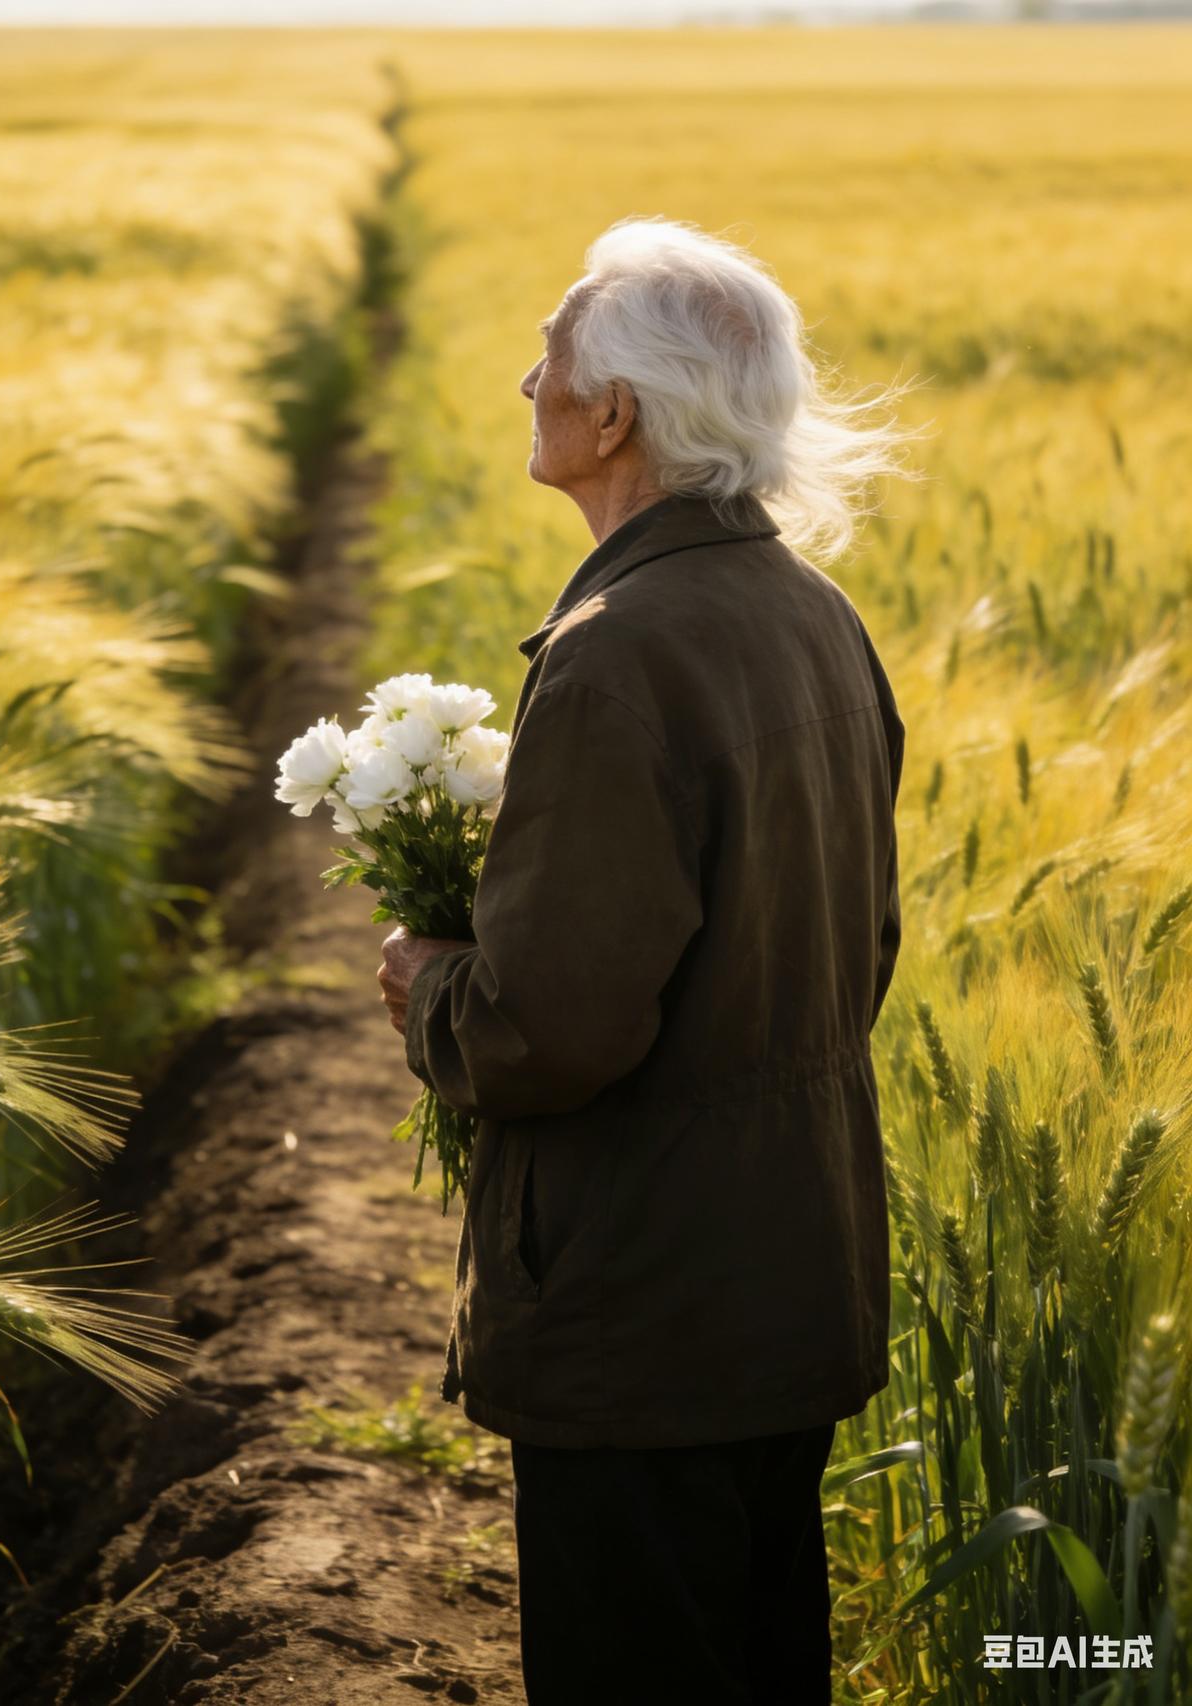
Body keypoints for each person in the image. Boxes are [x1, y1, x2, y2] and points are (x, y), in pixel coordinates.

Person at [377, 215, 920, 1706]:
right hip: (788, 1267)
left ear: (611, 412)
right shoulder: (815, 613)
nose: (524, 383)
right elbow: (859, 947)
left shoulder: (619, 648)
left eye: (547, 361)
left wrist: (427, 985)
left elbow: (551, 1028)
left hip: (644, 1312)